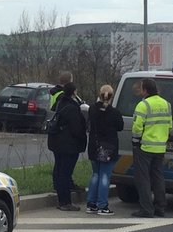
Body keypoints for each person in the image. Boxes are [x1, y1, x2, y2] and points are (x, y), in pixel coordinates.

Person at [131, 78, 172, 218]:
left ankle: (146, 209)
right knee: (158, 178)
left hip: (145, 147)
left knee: (143, 179)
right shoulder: (166, 104)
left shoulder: (143, 105)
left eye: (141, 88)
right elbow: (169, 125)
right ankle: (160, 207)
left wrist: (136, 141)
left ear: (145, 90)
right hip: (160, 148)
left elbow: (137, 127)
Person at [48, 82, 87, 211]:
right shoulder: (72, 107)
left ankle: (61, 200)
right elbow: (76, 129)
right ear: (74, 92)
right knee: (65, 173)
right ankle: (65, 202)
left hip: (56, 142)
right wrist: (83, 137)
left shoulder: (59, 103)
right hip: (68, 145)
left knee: (59, 171)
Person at [86, 84, 124, 215]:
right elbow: (120, 127)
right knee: (105, 176)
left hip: (93, 146)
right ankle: (102, 205)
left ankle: (91, 203)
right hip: (108, 148)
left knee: (95, 174)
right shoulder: (114, 113)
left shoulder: (92, 109)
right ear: (111, 96)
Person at [49, 70, 82, 191]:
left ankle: (60, 185)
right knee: (63, 165)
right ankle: (63, 186)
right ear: (70, 82)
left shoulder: (54, 93)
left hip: (56, 132)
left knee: (59, 163)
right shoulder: (62, 96)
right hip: (63, 133)